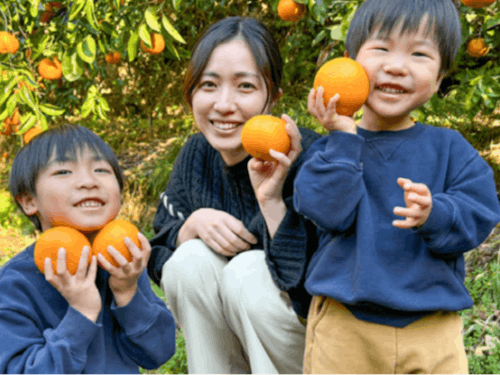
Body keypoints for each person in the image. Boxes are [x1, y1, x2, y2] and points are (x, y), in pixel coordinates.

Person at [293, 0, 500, 374]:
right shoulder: (328, 150)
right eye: (382, 48)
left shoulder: (450, 149)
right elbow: (324, 211)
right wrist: (342, 139)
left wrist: (436, 213)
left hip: (432, 327)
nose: (396, 65)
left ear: (439, 78)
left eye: (419, 53)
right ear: (350, 60)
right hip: (344, 326)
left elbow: (479, 212)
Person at [147, 16, 321, 374]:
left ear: (272, 97)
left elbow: (314, 292)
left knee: (247, 271)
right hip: (236, 345)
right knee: (189, 259)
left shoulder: (312, 159)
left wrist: (272, 203)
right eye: (209, 85)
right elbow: (159, 250)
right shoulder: (197, 154)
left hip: (309, 347)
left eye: (244, 87)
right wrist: (190, 226)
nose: (224, 105)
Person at [0, 124, 176, 374]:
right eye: (63, 171)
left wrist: (127, 293)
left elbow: (158, 352)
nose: (88, 181)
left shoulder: (123, 266)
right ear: (29, 201)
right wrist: (81, 313)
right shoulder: (14, 284)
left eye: (101, 169)